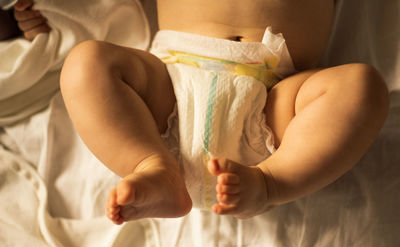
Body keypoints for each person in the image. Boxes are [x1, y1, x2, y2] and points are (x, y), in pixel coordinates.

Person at [59, 0, 389, 225]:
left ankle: (271, 184)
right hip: (169, 86)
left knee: (363, 86)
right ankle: (149, 166)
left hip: (275, 101)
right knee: (84, 64)